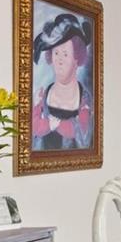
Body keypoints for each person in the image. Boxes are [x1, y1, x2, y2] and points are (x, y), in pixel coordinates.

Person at [31, 13, 93, 150]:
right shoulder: (41, 97)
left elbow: (84, 134)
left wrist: (57, 125)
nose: (59, 60)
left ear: (77, 58)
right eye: (56, 53)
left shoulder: (84, 99)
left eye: (65, 54)